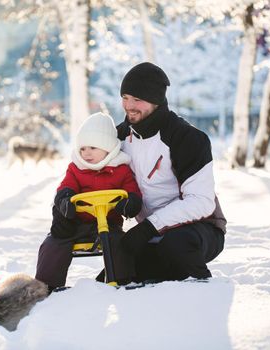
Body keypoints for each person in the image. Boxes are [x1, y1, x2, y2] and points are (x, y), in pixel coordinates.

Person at [116, 62, 227, 283]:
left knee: (176, 245)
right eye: (126, 97)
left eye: (137, 99)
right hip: (150, 234)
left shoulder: (187, 139)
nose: (129, 105)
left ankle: (204, 288)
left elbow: (201, 202)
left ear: (156, 100)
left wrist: (149, 227)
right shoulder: (119, 137)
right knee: (117, 272)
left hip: (198, 229)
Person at [35, 112, 143, 291]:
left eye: (92, 148)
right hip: (76, 224)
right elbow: (65, 188)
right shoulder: (76, 169)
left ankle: (123, 280)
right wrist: (64, 200)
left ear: (108, 148)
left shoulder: (121, 170)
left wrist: (131, 202)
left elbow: (132, 191)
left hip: (108, 224)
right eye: (82, 148)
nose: (86, 153)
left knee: (119, 242)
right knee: (53, 244)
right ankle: (46, 286)